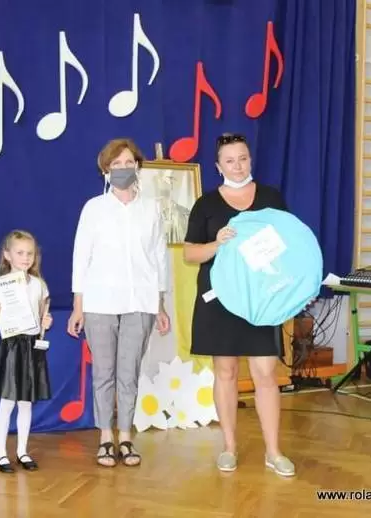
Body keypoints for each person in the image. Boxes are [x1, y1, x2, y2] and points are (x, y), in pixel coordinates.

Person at [182, 132, 295, 477]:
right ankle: (229, 447)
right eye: (229, 161)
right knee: (226, 372)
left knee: (266, 373)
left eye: (243, 158)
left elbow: (289, 244)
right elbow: (190, 253)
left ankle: (273, 451)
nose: (237, 166)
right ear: (218, 166)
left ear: (250, 159)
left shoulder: (271, 198)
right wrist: (217, 244)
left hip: (261, 299)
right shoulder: (206, 204)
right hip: (220, 300)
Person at [67, 138, 171, 468]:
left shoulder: (151, 208)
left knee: (129, 373)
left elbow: (160, 258)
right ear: (106, 170)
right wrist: (78, 306)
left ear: (138, 167)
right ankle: (105, 438)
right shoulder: (94, 209)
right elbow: (81, 258)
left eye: (129, 163)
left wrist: (160, 304)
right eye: (116, 164)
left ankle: (125, 436)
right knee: (104, 373)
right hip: (99, 301)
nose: (123, 168)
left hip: (140, 301)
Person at [0, 230, 53, 473]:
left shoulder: (39, 285)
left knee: (25, 403)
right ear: (7, 255)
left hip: (31, 347)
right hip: (11, 347)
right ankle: (0, 453)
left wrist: (46, 321)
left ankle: (22, 450)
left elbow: (42, 315)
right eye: (20, 253)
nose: (25, 258)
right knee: (7, 402)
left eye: (29, 253)